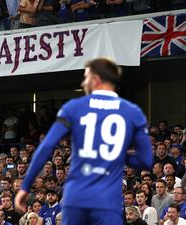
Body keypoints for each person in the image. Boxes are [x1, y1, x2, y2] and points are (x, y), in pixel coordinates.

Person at [15, 58, 154, 225]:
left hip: (76, 197)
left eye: (86, 77)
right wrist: (117, 155)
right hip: (108, 200)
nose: (83, 82)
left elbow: (46, 147)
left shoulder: (73, 107)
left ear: (96, 79)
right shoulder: (133, 112)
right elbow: (146, 160)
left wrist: (25, 187)